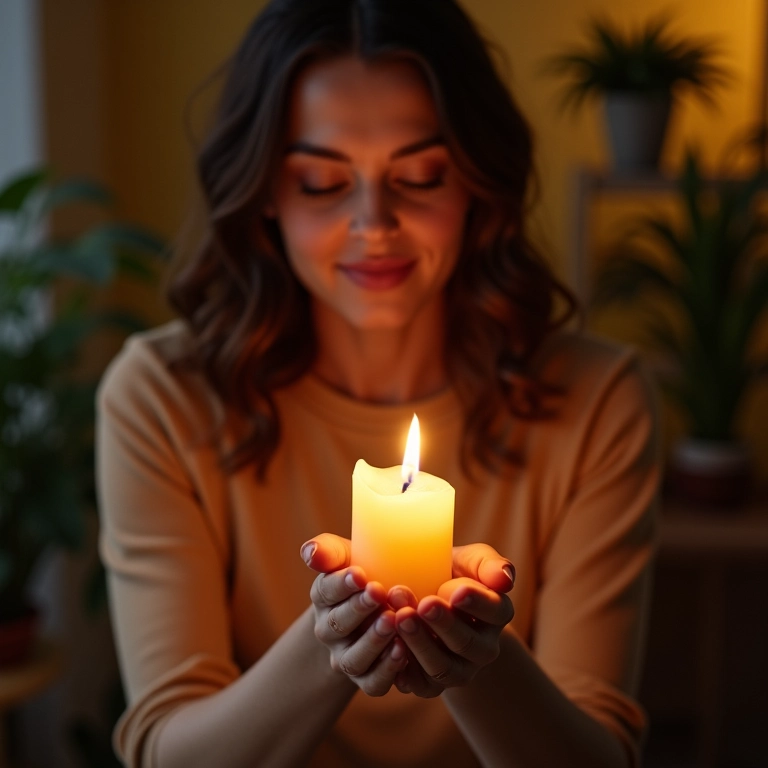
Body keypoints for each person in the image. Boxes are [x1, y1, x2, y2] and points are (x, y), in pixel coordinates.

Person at [96, 0, 660, 766]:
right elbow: (169, 752)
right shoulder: (161, 398)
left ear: (475, 181)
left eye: (421, 175)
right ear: (264, 191)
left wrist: (475, 653)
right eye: (323, 182)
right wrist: (334, 637)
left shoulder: (598, 401)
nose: (375, 220)